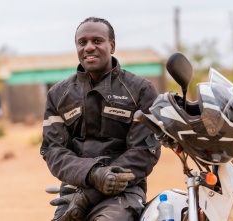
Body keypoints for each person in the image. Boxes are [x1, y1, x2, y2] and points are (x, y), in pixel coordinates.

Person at [40, 17, 161, 221]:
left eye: (97, 41)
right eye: (82, 42)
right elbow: (53, 150)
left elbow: (144, 152)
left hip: (125, 192)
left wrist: (91, 194)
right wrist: (93, 175)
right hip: (74, 190)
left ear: (111, 46)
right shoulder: (58, 95)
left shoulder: (140, 90)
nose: (89, 47)